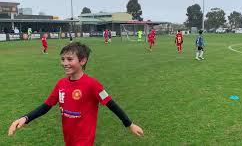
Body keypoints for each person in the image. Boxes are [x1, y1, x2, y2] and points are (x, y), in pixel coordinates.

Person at [8, 42, 144, 145]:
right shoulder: (61, 84)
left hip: (84, 140)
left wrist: (129, 124)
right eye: (63, 59)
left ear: (83, 60)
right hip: (68, 137)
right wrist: (25, 118)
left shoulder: (92, 84)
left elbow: (112, 104)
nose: (65, 63)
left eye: (69, 59)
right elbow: (46, 106)